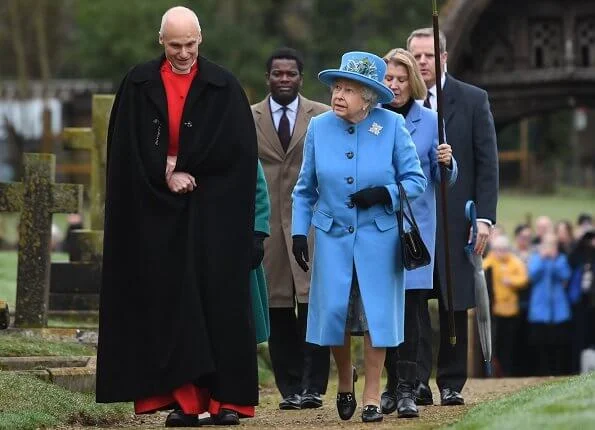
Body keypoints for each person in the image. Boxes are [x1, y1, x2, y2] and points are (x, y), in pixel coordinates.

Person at [96, 6, 260, 427]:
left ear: (200, 39)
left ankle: (230, 401)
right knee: (173, 304)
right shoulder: (139, 83)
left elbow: (238, 156)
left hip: (213, 214)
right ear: (160, 41)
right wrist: (164, 173)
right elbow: (126, 153)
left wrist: (191, 170)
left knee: (219, 302)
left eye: (189, 44)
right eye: (175, 45)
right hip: (157, 217)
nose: (183, 53)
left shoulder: (223, 86)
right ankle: (186, 402)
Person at [291, 51, 427, 423]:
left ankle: (370, 392)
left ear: (367, 97)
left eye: (348, 90)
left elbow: (416, 180)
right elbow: (305, 190)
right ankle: (345, 382)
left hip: (378, 238)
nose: (338, 95)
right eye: (337, 87)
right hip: (333, 237)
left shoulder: (391, 126)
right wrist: (299, 234)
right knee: (335, 314)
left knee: (375, 318)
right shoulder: (319, 128)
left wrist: (386, 193)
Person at [408, 28, 499, 406]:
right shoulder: (398, 104)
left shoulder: (473, 99)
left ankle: (450, 382)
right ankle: (414, 381)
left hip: (456, 218)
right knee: (413, 301)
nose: (423, 63)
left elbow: (486, 163)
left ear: (443, 57)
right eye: (417, 56)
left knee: (453, 301)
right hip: (412, 220)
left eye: (429, 56)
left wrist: (484, 218)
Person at [379, 48, 457, 418]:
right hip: (376, 226)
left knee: (411, 310)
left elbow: (443, 178)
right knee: (384, 311)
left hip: (415, 229)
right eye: (388, 79)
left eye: (400, 79)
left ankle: (409, 388)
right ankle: (390, 386)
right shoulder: (371, 119)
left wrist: (448, 162)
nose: (394, 85)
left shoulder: (430, 120)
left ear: (413, 82)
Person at [252, 47, 331, 411]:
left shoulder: (323, 115)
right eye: (277, 73)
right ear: (267, 77)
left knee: (314, 304)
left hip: (311, 225)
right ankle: (289, 387)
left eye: (291, 74)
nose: (284, 79)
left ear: (301, 77)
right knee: (279, 308)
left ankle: (314, 385)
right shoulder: (248, 117)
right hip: (268, 228)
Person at [482, 235, 528, 377]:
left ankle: (508, 372)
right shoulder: (489, 262)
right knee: (493, 344)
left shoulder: (515, 262)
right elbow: (481, 270)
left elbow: (523, 279)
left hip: (511, 310)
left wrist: (511, 281)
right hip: (494, 311)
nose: (500, 252)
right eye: (497, 249)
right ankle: (491, 373)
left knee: (508, 345)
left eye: (503, 249)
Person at [527, 233, 572, 376]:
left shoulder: (561, 259)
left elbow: (565, 275)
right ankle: (542, 372)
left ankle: (558, 372)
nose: (550, 248)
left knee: (558, 343)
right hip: (540, 309)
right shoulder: (536, 258)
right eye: (547, 244)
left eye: (553, 245)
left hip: (558, 309)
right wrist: (542, 258)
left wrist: (554, 260)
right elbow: (532, 275)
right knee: (540, 343)